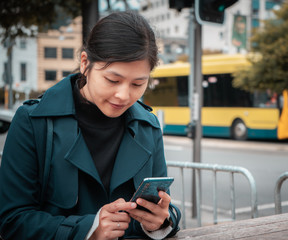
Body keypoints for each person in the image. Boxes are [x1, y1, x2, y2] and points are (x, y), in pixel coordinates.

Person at [0, 11, 180, 240]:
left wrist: (159, 223)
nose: (123, 95)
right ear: (85, 63)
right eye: (112, 80)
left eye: (138, 83)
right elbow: (13, 221)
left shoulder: (148, 126)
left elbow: (164, 210)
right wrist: (89, 229)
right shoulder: (33, 121)